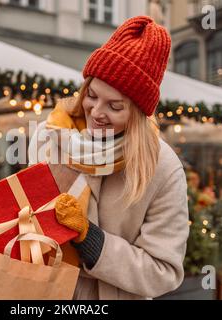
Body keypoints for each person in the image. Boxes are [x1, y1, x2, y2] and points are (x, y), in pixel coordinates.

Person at [28, 16, 189, 300]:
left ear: (138, 114)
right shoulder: (50, 136)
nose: (97, 112)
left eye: (115, 106)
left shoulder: (162, 167)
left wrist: (91, 240)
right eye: (92, 95)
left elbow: (163, 271)